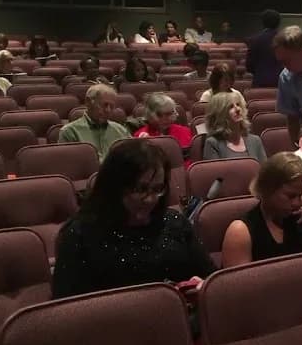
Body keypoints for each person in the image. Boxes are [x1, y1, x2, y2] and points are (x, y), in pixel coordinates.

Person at [52, 139, 214, 298]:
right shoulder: (80, 234)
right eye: (140, 189)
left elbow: (209, 275)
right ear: (115, 187)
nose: (150, 199)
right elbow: (66, 308)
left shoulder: (175, 223)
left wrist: (201, 285)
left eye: (157, 189)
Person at [220, 152, 302, 266]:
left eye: (300, 195)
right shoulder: (241, 231)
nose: (297, 203)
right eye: (291, 196)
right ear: (267, 190)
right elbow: (237, 286)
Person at [58, 84, 130, 162]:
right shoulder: (70, 132)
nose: (108, 110)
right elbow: (69, 166)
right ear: (88, 102)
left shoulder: (121, 131)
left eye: (112, 106)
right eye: (104, 105)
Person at [203, 92, 266, 162]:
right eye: (231, 107)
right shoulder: (213, 143)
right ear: (220, 114)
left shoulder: (255, 140)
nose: (238, 109)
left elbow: (265, 171)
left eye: (238, 105)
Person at [134, 93, 193, 159]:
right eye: (160, 115)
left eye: (171, 113)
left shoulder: (185, 131)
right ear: (150, 115)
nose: (170, 118)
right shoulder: (140, 137)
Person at [245, 9, 283, 88]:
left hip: (260, 81)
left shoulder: (254, 40)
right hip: (282, 82)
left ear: (263, 22)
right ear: (278, 23)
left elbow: (249, 65)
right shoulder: (286, 40)